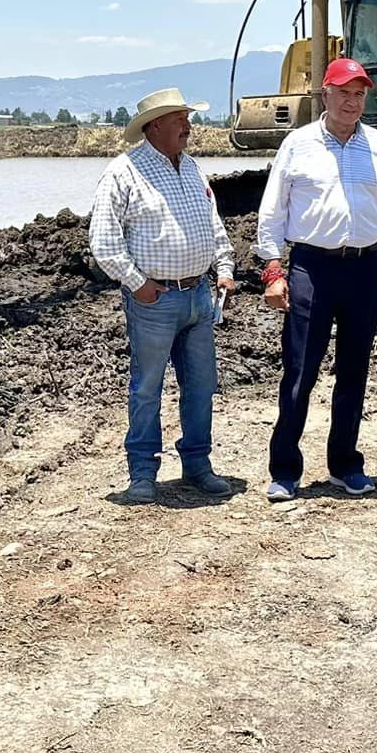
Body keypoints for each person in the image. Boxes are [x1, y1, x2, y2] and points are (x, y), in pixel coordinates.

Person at [254, 57, 377, 501]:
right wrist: (273, 271)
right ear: (326, 93)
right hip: (312, 269)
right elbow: (273, 211)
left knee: (354, 372)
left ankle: (345, 465)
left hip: (365, 267)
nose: (352, 101)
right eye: (344, 92)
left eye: (359, 94)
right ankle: (285, 469)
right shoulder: (298, 144)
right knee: (300, 371)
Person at [88, 87, 236, 503]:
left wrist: (224, 268)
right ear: (155, 126)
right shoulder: (124, 172)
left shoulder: (191, 168)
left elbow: (213, 224)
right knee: (147, 387)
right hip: (155, 300)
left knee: (202, 385)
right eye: (180, 120)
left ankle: (197, 464)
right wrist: (138, 284)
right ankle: (142, 473)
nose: (189, 127)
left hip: (198, 296)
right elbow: (103, 240)